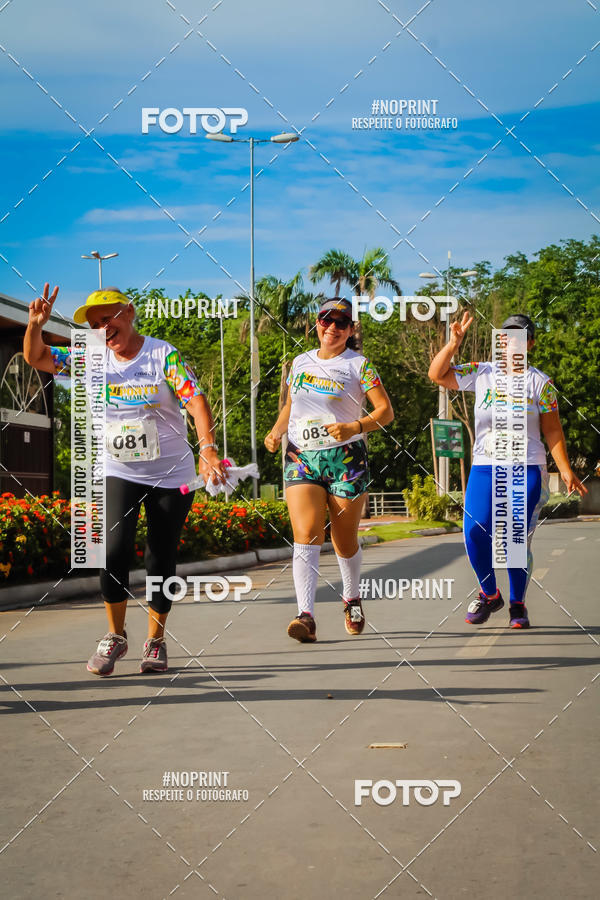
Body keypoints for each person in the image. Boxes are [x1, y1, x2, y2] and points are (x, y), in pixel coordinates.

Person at [24, 283, 226, 675]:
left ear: (129, 313)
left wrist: (208, 449)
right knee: (112, 549)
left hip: (171, 473)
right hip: (117, 468)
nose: (103, 329)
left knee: (160, 556)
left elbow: (195, 400)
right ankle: (115, 635)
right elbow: (37, 357)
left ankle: (155, 641)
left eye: (108, 318)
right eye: (95, 324)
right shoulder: (88, 356)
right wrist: (36, 325)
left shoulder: (162, 354)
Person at [428, 311, 587, 628]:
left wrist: (565, 469)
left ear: (530, 343)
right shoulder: (482, 372)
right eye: (505, 335)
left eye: (518, 336)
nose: (510, 341)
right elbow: (437, 374)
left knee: (515, 540)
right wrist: (454, 343)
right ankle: (490, 594)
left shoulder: (540, 383)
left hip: (526, 467)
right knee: (474, 531)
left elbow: (552, 430)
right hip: (485, 467)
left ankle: (518, 604)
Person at [264, 298, 394, 642]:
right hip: (302, 456)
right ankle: (305, 615)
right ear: (317, 323)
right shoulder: (300, 362)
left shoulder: (359, 365)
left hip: (345, 460)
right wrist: (276, 432)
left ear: (351, 329)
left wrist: (355, 427)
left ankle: (352, 599)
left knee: (343, 539)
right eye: (326, 320)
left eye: (341, 323)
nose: (332, 328)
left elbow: (385, 411)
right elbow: (291, 405)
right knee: (306, 533)